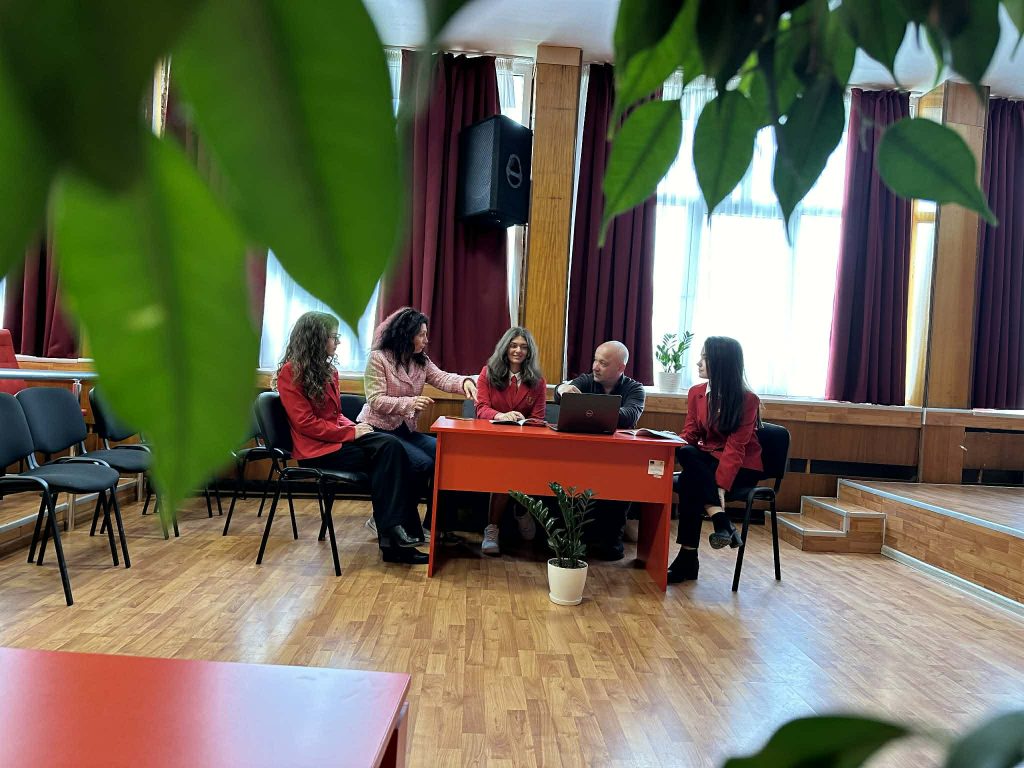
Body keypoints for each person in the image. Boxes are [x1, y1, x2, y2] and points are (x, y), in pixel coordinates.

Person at [275, 311, 428, 565]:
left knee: (391, 450)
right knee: (389, 452)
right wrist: (351, 433)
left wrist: (358, 426)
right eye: (333, 337)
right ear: (316, 338)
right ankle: (395, 537)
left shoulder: (329, 371)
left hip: (336, 441)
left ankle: (395, 536)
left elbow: (336, 416)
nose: (337, 342)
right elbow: (305, 423)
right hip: (317, 451)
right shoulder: (290, 373)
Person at [358, 307, 477, 533]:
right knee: (422, 464)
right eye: (421, 334)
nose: (426, 339)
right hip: (378, 430)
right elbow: (375, 400)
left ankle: (434, 526)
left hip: (405, 430)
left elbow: (443, 378)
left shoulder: (420, 361)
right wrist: (410, 403)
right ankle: (388, 517)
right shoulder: (378, 358)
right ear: (407, 334)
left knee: (445, 454)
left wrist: (466, 382)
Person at [669, 336, 763, 584]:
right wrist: (668, 441)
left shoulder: (748, 399)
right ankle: (721, 521)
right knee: (686, 453)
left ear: (721, 363)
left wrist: (719, 486)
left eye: (705, 358)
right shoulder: (696, 393)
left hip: (740, 467)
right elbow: (690, 434)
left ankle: (688, 559)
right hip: (708, 460)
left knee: (690, 481)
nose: (698, 363)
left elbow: (736, 447)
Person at [553, 340, 646, 560]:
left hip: (617, 458)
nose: (595, 366)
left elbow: (629, 416)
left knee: (620, 487)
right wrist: (562, 389)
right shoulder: (587, 380)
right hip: (582, 455)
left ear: (620, 368)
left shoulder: (635, 389)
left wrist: (585, 406)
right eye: (595, 360)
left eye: (603, 363)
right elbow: (559, 395)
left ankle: (610, 542)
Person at [474, 327, 546, 556]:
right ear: (505, 348)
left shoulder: (538, 381)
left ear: (529, 352)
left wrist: (524, 423)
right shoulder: (487, 373)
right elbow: (481, 408)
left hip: (524, 444)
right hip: (493, 441)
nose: (518, 351)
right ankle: (497, 525)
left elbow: (539, 418)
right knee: (505, 468)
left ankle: (514, 512)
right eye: (513, 345)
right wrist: (501, 416)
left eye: (523, 347)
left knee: (514, 466)